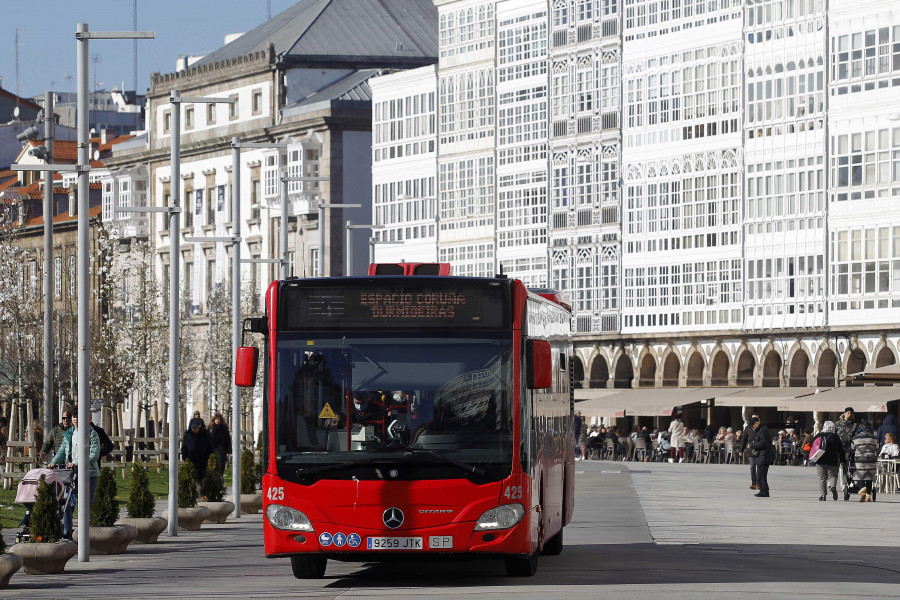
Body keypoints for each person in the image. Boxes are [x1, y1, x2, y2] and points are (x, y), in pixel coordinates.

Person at [48, 406, 100, 540]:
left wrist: (77, 462)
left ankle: (85, 537)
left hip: (89, 474)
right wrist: (53, 462)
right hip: (71, 475)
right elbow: (61, 451)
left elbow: (94, 454)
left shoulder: (91, 433)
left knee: (86, 507)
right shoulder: (69, 433)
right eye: (74, 417)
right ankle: (67, 534)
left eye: (78, 416)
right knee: (66, 505)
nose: (76, 419)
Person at [811, 421, 846, 501]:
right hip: (833, 460)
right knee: (833, 475)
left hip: (820, 459)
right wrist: (842, 460)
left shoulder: (819, 435)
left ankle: (823, 495)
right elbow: (841, 450)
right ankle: (833, 487)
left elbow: (811, 443)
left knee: (821, 477)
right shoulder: (835, 437)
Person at [851, 421, 879, 502]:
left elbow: (852, 448)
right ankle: (868, 496)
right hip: (871, 460)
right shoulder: (874, 437)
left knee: (861, 476)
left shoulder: (856, 437)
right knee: (869, 477)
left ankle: (862, 490)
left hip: (860, 460)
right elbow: (877, 447)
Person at [749, 416, 775, 497]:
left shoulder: (762, 430)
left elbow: (763, 443)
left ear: (756, 423)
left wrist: (752, 445)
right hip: (762, 455)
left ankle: (764, 491)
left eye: (753, 426)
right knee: (761, 474)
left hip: (763, 456)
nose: (753, 428)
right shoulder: (761, 429)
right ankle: (763, 490)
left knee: (761, 474)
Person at [181, 417, 212, 482]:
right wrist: (185, 458)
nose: (195, 429)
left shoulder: (205, 434)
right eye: (193, 428)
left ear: (199, 427)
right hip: (190, 460)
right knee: (191, 479)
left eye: (196, 428)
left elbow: (210, 447)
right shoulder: (187, 435)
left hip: (202, 461)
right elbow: (184, 447)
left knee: (201, 478)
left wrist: (207, 457)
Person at [208, 413, 232, 478]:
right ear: (213, 420)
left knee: (221, 464)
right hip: (212, 449)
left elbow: (228, 439)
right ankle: (213, 479)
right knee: (212, 465)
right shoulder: (210, 428)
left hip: (221, 449)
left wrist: (229, 450)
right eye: (216, 419)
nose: (217, 420)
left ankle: (220, 478)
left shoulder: (224, 428)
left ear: (221, 420)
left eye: (218, 419)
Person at [742, 415, 759, 489]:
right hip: (750, 450)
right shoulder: (748, 428)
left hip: (759, 450)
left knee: (759, 467)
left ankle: (759, 483)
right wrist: (741, 450)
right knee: (752, 466)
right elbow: (744, 440)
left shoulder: (761, 428)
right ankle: (754, 483)